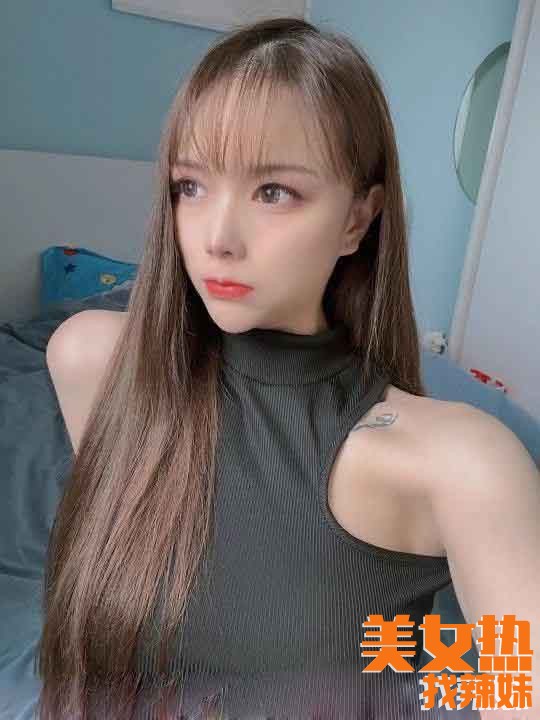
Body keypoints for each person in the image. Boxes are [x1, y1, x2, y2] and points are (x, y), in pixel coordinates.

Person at [39, 15, 540, 720]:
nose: (217, 238)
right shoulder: (93, 361)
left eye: (274, 192)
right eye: (190, 186)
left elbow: (517, 684)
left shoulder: (463, 461)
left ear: (357, 220)